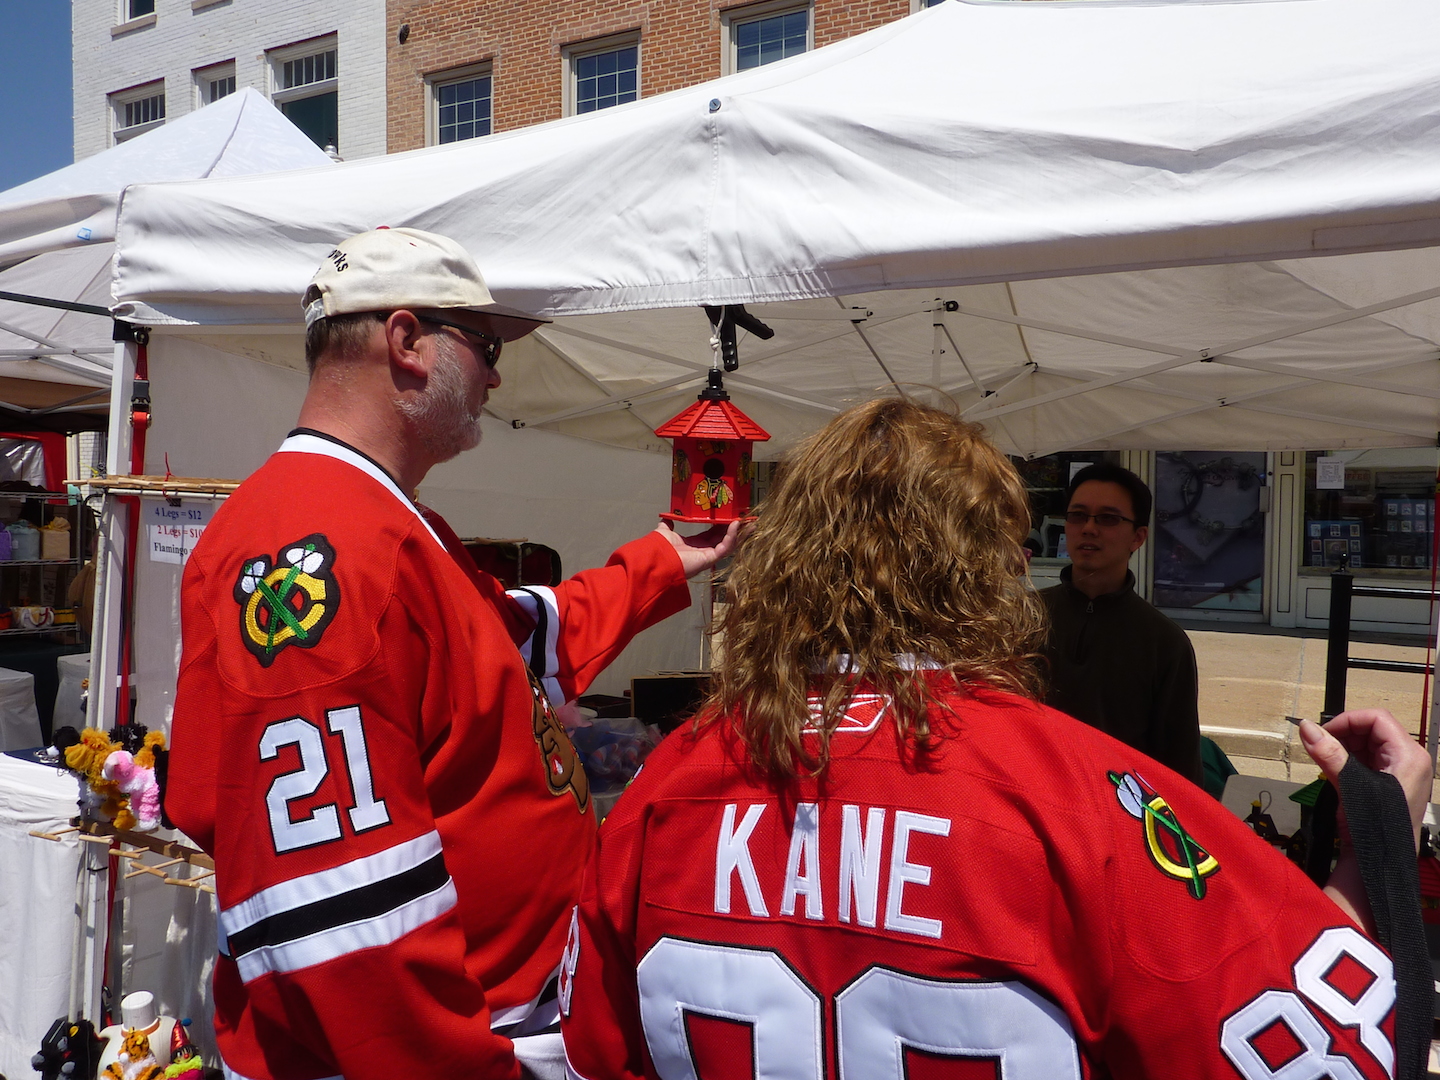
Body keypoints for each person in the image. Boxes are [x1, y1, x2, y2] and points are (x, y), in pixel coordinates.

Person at [559, 399, 1429, 1080]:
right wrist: (1376, 844)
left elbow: (593, 1048)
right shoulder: (1081, 796)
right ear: (991, 563)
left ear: (791, 553)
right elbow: (1317, 1043)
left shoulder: (673, 779)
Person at [164, 228, 738, 1080]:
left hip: (500, 1015)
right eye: (485, 347)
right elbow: (345, 927)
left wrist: (663, 560)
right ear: (406, 341)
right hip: (445, 1046)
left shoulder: (379, 519)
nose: (495, 377)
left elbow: (515, 642)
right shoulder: (325, 547)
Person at [1041, 462, 1203, 785]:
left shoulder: (1164, 643)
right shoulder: (1021, 617)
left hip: (1117, 805)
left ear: (1138, 537)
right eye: (1078, 516)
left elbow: (1180, 771)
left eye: (1108, 519)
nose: (1089, 528)